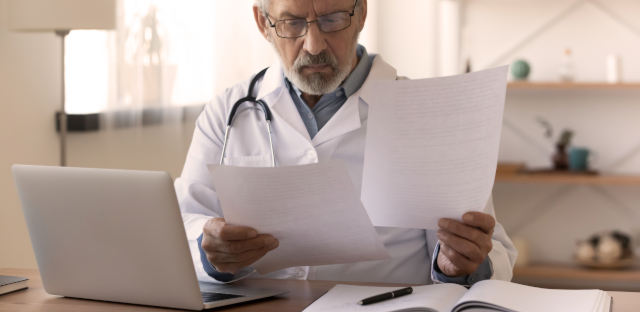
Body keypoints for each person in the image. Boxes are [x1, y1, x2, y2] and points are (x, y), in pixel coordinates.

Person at [175, 0, 517, 285]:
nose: (314, 45)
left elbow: (492, 251)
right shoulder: (227, 111)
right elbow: (183, 225)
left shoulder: (427, 112)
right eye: (292, 23)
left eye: (332, 19)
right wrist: (210, 249)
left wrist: (458, 265)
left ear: (362, 13)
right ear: (263, 23)